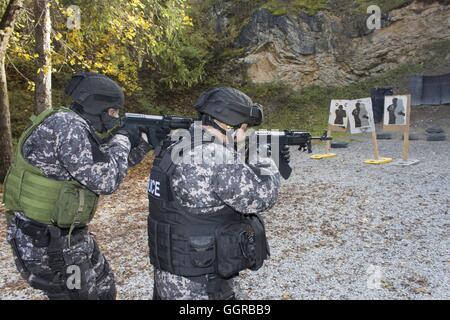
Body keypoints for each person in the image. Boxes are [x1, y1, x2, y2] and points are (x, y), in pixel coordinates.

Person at [2, 72, 151, 300]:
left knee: (104, 290)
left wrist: (142, 145)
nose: (115, 117)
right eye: (112, 112)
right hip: (47, 242)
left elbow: (103, 166)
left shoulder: (74, 125)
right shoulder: (67, 127)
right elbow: (106, 181)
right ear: (96, 108)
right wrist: (122, 138)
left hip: (69, 237)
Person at [148, 87, 289, 300]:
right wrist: (264, 156)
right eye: (244, 128)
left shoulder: (177, 143)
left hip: (171, 275)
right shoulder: (214, 155)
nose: (245, 134)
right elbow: (262, 196)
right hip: (202, 284)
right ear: (228, 125)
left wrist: (239, 153)